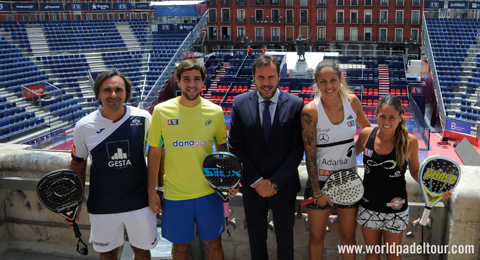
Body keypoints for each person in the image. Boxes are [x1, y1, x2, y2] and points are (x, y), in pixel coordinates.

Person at [147, 58, 238, 260]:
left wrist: (229, 182)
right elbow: (154, 152)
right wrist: (151, 190)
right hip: (175, 195)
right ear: (178, 82)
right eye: (186, 79)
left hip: (210, 193)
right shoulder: (161, 111)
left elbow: (223, 150)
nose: (191, 84)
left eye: (197, 79)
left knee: (214, 245)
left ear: (203, 82)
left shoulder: (214, 112)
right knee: (180, 249)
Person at [67, 70, 159, 260]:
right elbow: (78, 165)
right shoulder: (83, 126)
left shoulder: (144, 118)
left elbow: (158, 154)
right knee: (107, 254)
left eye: (119, 89)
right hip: (102, 203)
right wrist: (74, 201)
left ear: (127, 93)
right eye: (107, 90)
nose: (113, 95)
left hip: (139, 201)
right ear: (98, 94)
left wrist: (156, 190)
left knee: (142, 252)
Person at [355, 95, 451, 260]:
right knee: (371, 254)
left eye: (392, 117)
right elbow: (348, 158)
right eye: (382, 116)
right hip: (368, 206)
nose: (387, 121)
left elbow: (415, 171)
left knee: (393, 255)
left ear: (400, 117)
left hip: (396, 208)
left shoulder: (409, 141)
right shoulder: (366, 134)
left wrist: (434, 188)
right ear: (376, 115)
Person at [228, 55, 305, 260]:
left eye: (271, 77)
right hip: (253, 188)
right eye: (261, 77)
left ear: (280, 76)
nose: (266, 82)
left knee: (286, 242)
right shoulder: (240, 103)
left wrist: (274, 182)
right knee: (256, 240)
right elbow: (235, 147)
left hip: (284, 186)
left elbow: (297, 149)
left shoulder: (296, 104)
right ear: (253, 77)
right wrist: (257, 181)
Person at [301, 59, 370, 260]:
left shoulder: (352, 102)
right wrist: (316, 191)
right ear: (316, 83)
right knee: (316, 237)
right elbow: (310, 155)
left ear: (340, 80)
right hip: (319, 181)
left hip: (348, 181)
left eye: (333, 80)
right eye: (323, 81)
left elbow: (367, 131)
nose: (328, 86)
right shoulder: (310, 111)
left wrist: (353, 152)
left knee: (348, 237)